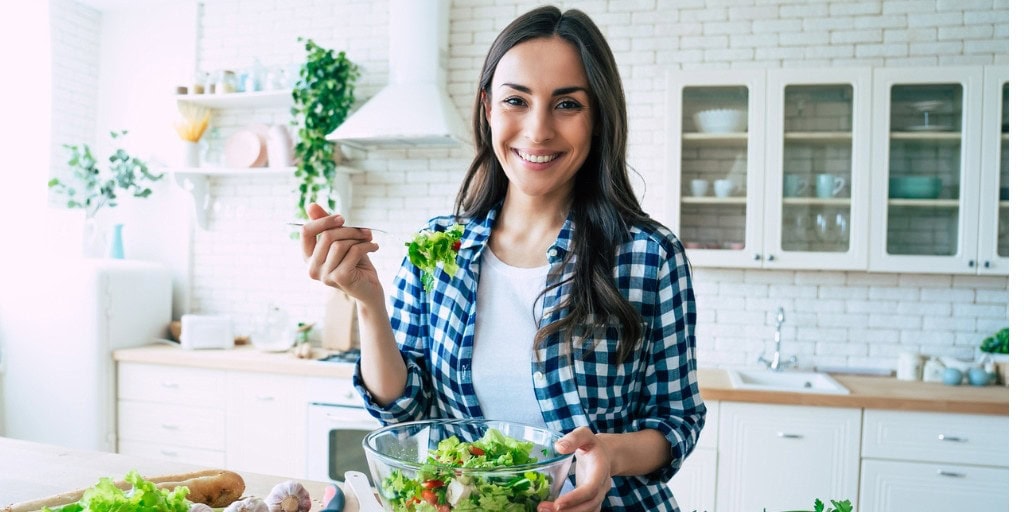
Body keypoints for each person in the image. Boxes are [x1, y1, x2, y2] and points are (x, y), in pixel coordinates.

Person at [301, 6, 705, 511]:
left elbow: (675, 420)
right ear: (489, 107)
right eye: (517, 100)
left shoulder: (649, 256)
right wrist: (368, 304)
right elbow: (404, 413)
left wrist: (607, 453)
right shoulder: (439, 249)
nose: (537, 132)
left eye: (567, 105)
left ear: (598, 118)